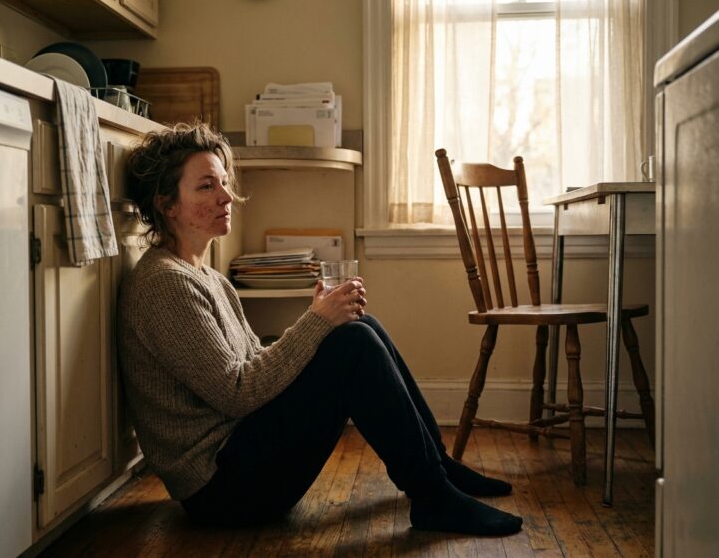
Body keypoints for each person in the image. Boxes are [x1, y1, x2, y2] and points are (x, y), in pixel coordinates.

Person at [117, 121, 523, 536]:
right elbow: (238, 393)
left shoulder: (208, 278)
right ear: (167, 205)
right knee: (351, 341)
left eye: (223, 182)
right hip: (221, 488)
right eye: (206, 186)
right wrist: (316, 323)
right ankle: (434, 496)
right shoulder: (166, 284)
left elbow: (253, 362)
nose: (226, 196)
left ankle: (438, 469)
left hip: (240, 456)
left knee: (358, 325)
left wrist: (319, 320)